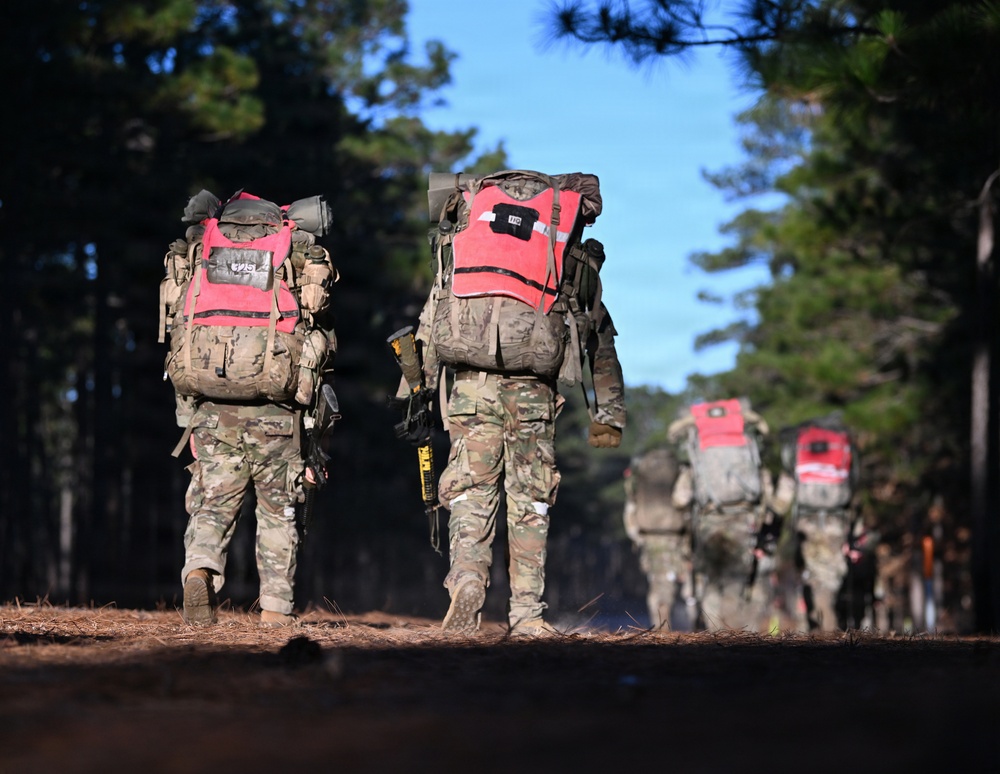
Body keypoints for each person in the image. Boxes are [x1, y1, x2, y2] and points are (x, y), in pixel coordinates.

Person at [400, 170, 625, 637]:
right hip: (533, 394)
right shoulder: (563, 254)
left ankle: (467, 579)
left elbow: (432, 316)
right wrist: (608, 414)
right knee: (530, 500)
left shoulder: (466, 243)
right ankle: (527, 615)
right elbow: (598, 337)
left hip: (470, 388)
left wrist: (415, 392)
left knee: (469, 491)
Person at [161, 190, 337, 627]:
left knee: (212, 504)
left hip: (211, 409)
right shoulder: (294, 251)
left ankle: (199, 570)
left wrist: (188, 417)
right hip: (277, 413)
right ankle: (276, 609)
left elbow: (177, 331)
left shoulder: (204, 247)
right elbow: (318, 338)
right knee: (278, 512)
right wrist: (314, 430)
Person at [668, 399, 776, 632]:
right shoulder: (749, 459)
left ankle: (715, 632)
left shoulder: (697, 461)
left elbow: (680, 499)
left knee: (710, 581)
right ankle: (733, 633)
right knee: (736, 580)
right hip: (743, 521)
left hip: (709, 522)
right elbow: (769, 498)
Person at [778, 415, 860, 631]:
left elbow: (785, 493)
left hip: (806, 522)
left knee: (810, 573)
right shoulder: (843, 447)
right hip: (836, 522)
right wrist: (855, 529)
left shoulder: (797, 448)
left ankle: (818, 619)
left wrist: (773, 521)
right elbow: (854, 490)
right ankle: (824, 618)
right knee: (830, 575)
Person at [622, 447, 695, 630]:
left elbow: (630, 509)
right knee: (686, 584)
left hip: (649, 538)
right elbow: (682, 499)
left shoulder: (640, 476)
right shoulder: (681, 471)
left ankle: (661, 626)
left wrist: (637, 536)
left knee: (659, 584)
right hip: (675, 538)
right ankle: (687, 625)